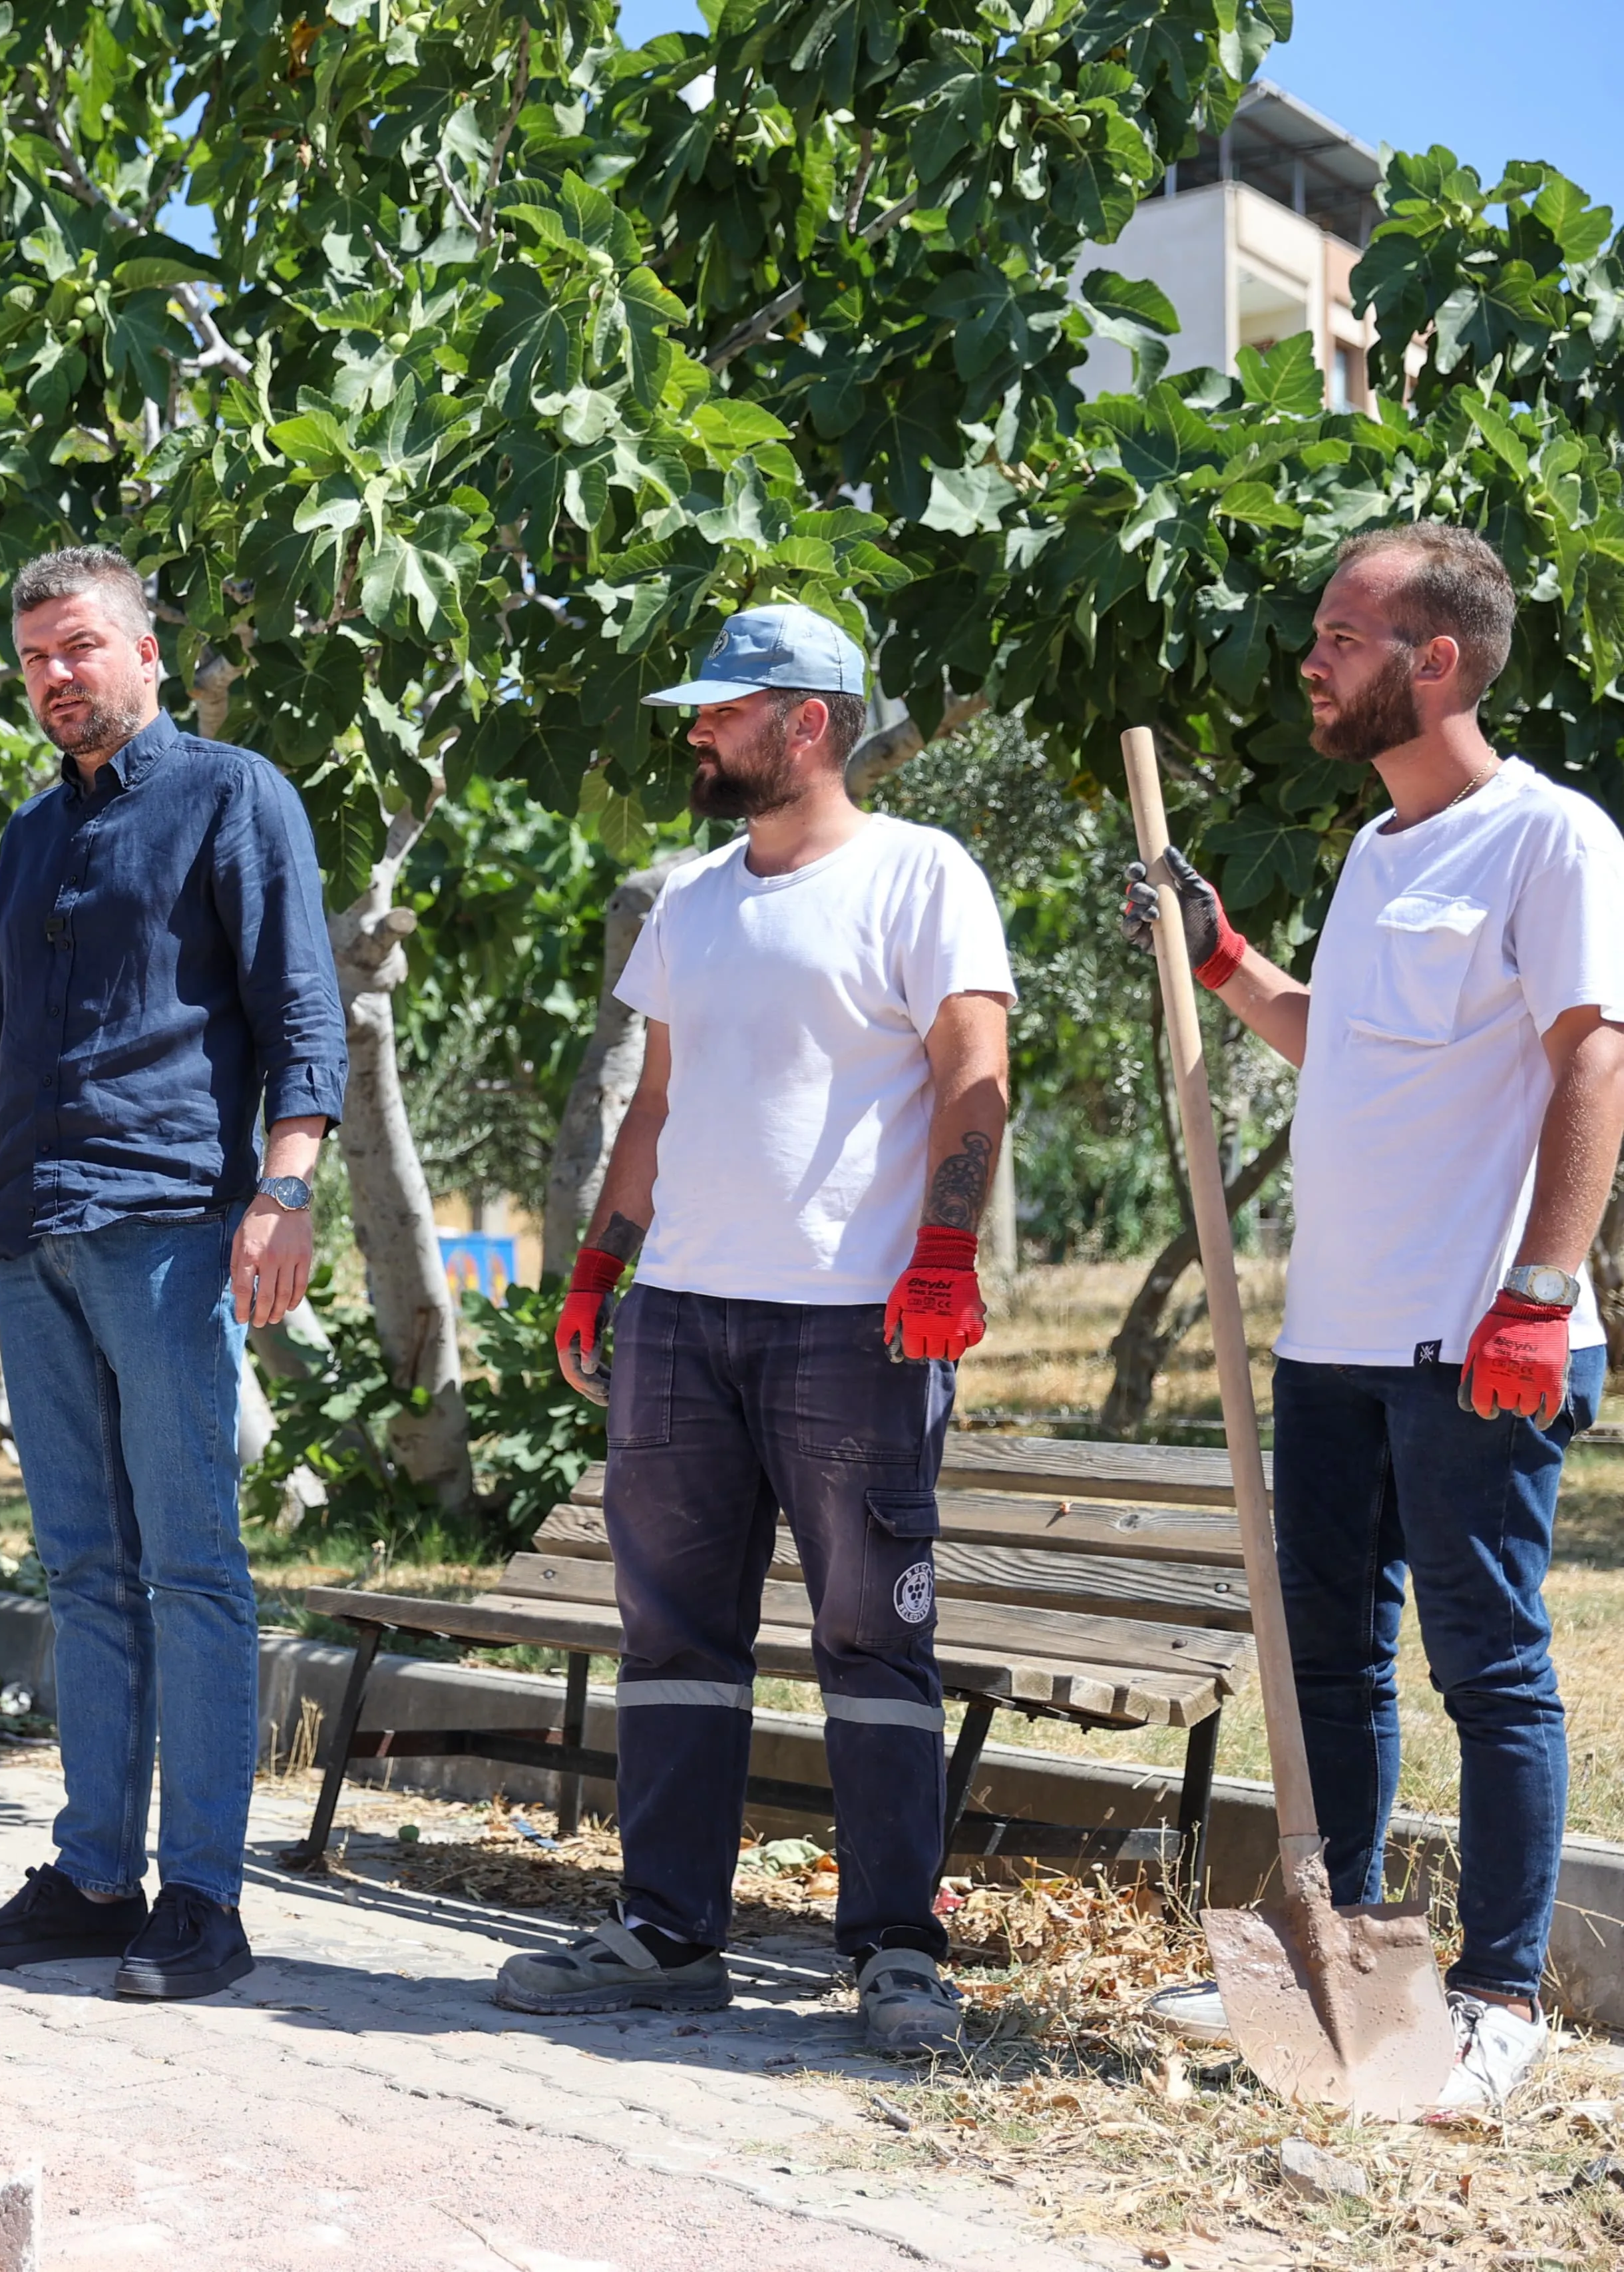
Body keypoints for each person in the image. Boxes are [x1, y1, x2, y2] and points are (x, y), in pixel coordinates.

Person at [1112, 523, 1624, 2114]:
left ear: (1438, 660)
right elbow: (1346, 1041)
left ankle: (1497, 1993)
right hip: (1336, 1336)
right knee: (1325, 1662)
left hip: (1481, 1333)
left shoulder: (1552, 838)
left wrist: (1538, 1290)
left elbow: (1592, 1060)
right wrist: (1221, 960)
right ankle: (1331, 1952)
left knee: (1490, 1668)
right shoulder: (1374, 852)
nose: (1313, 661)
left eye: (1342, 635)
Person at [496, 602, 1014, 2054]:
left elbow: (974, 1080)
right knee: (670, 1631)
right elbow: (653, 1103)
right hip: (681, 1320)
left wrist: (943, 1253)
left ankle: (898, 1947)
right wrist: (602, 1266)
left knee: (871, 1632)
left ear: (809, 722)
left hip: (855, 1325)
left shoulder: (923, 876)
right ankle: (665, 1928)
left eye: (724, 710)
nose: (697, 731)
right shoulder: (691, 897)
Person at [0, 545, 347, 2001]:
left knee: (191, 1568)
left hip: (173, 1226)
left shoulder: (233, 795)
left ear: (145, 653)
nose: (56, 675)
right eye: (36, 656)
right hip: (35, 1238)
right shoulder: (30, 838)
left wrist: (282, 1188)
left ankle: (205, 1896)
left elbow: (300, 1007)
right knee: (84, 1571)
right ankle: (97, 1873)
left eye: (81, 646)